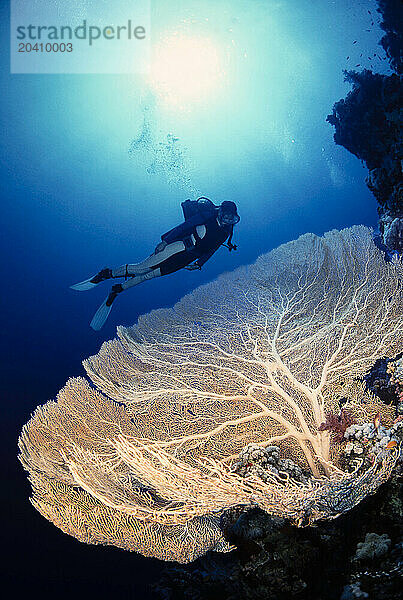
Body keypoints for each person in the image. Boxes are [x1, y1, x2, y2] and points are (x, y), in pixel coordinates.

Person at [71, 198, 240, 330]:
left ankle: (117, 290)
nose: (227, 220)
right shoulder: (207, 216)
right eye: (226, 216)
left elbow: (213, 249)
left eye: (231, 219)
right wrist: (165, 241)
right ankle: (105, 274)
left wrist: (200, 263)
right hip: (178, 246)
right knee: (141, 268)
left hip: (185, 259)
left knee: (149, 275)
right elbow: (184, 226)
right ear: (220, 212)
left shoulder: (226, 232)